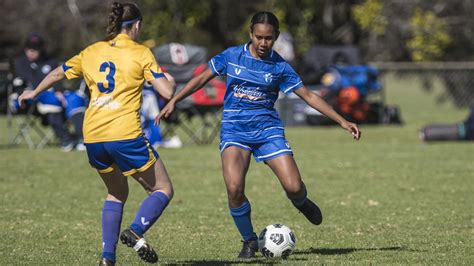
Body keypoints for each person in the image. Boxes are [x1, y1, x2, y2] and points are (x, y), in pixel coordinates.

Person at [157, 11, 361, 258]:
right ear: (250, 34)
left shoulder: (280, 66)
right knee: (234, 188)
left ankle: (300, 202)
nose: (263, 43)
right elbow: (201, 78)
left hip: (267, 130)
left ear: (275, 37)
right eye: (259, 37)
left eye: (269, 38)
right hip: (235, 130)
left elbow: (308, 95)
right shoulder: (232, 56)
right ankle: (249, 241)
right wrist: (175, 100)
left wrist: (342, 120)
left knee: (294, 186)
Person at [19, 2, 176, 265]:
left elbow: (59, 72)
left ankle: (107, 258)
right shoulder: (141, 52)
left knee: (116, 193)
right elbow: (166, 92)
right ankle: (136, 231)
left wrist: (34, 92)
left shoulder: (92, 51)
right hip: (124, 134)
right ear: (136, 26)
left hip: (92, 136)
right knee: (162, 188)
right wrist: (168, 80)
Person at [14, 33, 84, 151]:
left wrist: (58, 91)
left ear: (41, 49)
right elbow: (25, 84)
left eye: (35, 49)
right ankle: (65, 138)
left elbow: (57, 80)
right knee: (52, 100)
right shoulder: (20, 63)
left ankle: (81, 138)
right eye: (29, 48)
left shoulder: (50, 61)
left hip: (54, 94)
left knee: (76, 98)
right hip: (32, 97)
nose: (31, 51)